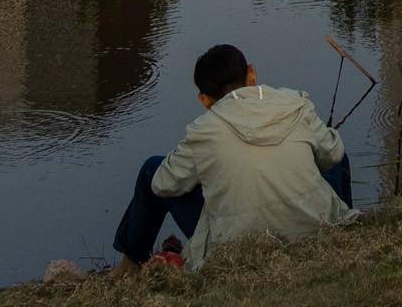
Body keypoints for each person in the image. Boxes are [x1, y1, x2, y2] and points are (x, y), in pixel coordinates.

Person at [113, 43, 352, 271]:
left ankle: (130, 264)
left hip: (235, 244)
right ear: (252, 74)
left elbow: (161, 183)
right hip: (312, 228)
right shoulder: (296, 103)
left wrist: (207, 177)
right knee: (336, 152)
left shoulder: (203, 131)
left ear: (204, 100)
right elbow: (333, 153)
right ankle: (344, 232)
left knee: (151, 169)